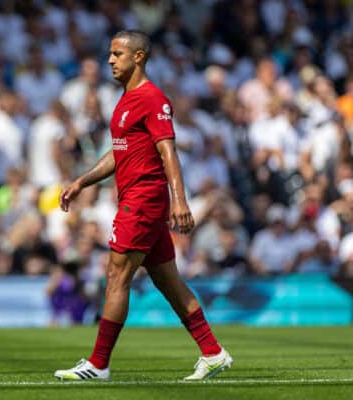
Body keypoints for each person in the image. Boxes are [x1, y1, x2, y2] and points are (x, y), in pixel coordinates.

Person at [54, 30, 232, 382]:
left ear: (138, 57)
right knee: (167, 280)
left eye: (117, 54)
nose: (110, 60)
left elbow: (169, 151)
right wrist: (81, 181)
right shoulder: (124, 100)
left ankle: (99, 364)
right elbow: (118, 152)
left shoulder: (152, 99)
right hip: (137, 199)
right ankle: (213, 352)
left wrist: (179, 200)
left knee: (116, 275)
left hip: (144, 200)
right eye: (109, 54)